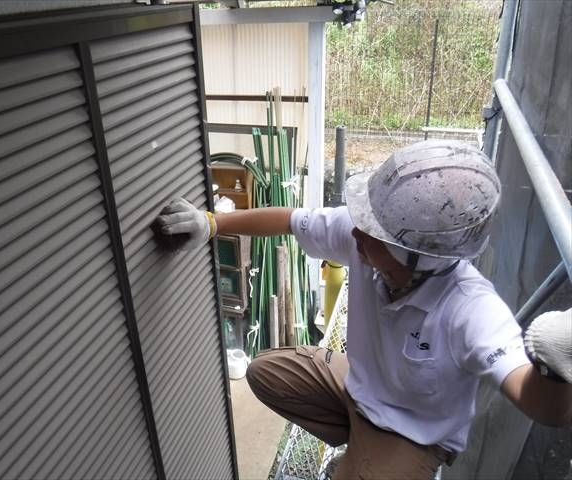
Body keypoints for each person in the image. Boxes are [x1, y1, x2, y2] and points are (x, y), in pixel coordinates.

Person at [155, 140, 572, 479]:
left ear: (419, 256)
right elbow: (289, 219)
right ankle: (357, 446)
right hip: (361, 386)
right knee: (266, 373)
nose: (356, 230)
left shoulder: (471, 308)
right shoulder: (365, 242)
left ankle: (369, 459)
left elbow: (536, 402)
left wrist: (555, 368)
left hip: (413, 433)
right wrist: (211, 223)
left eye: (373, 228)